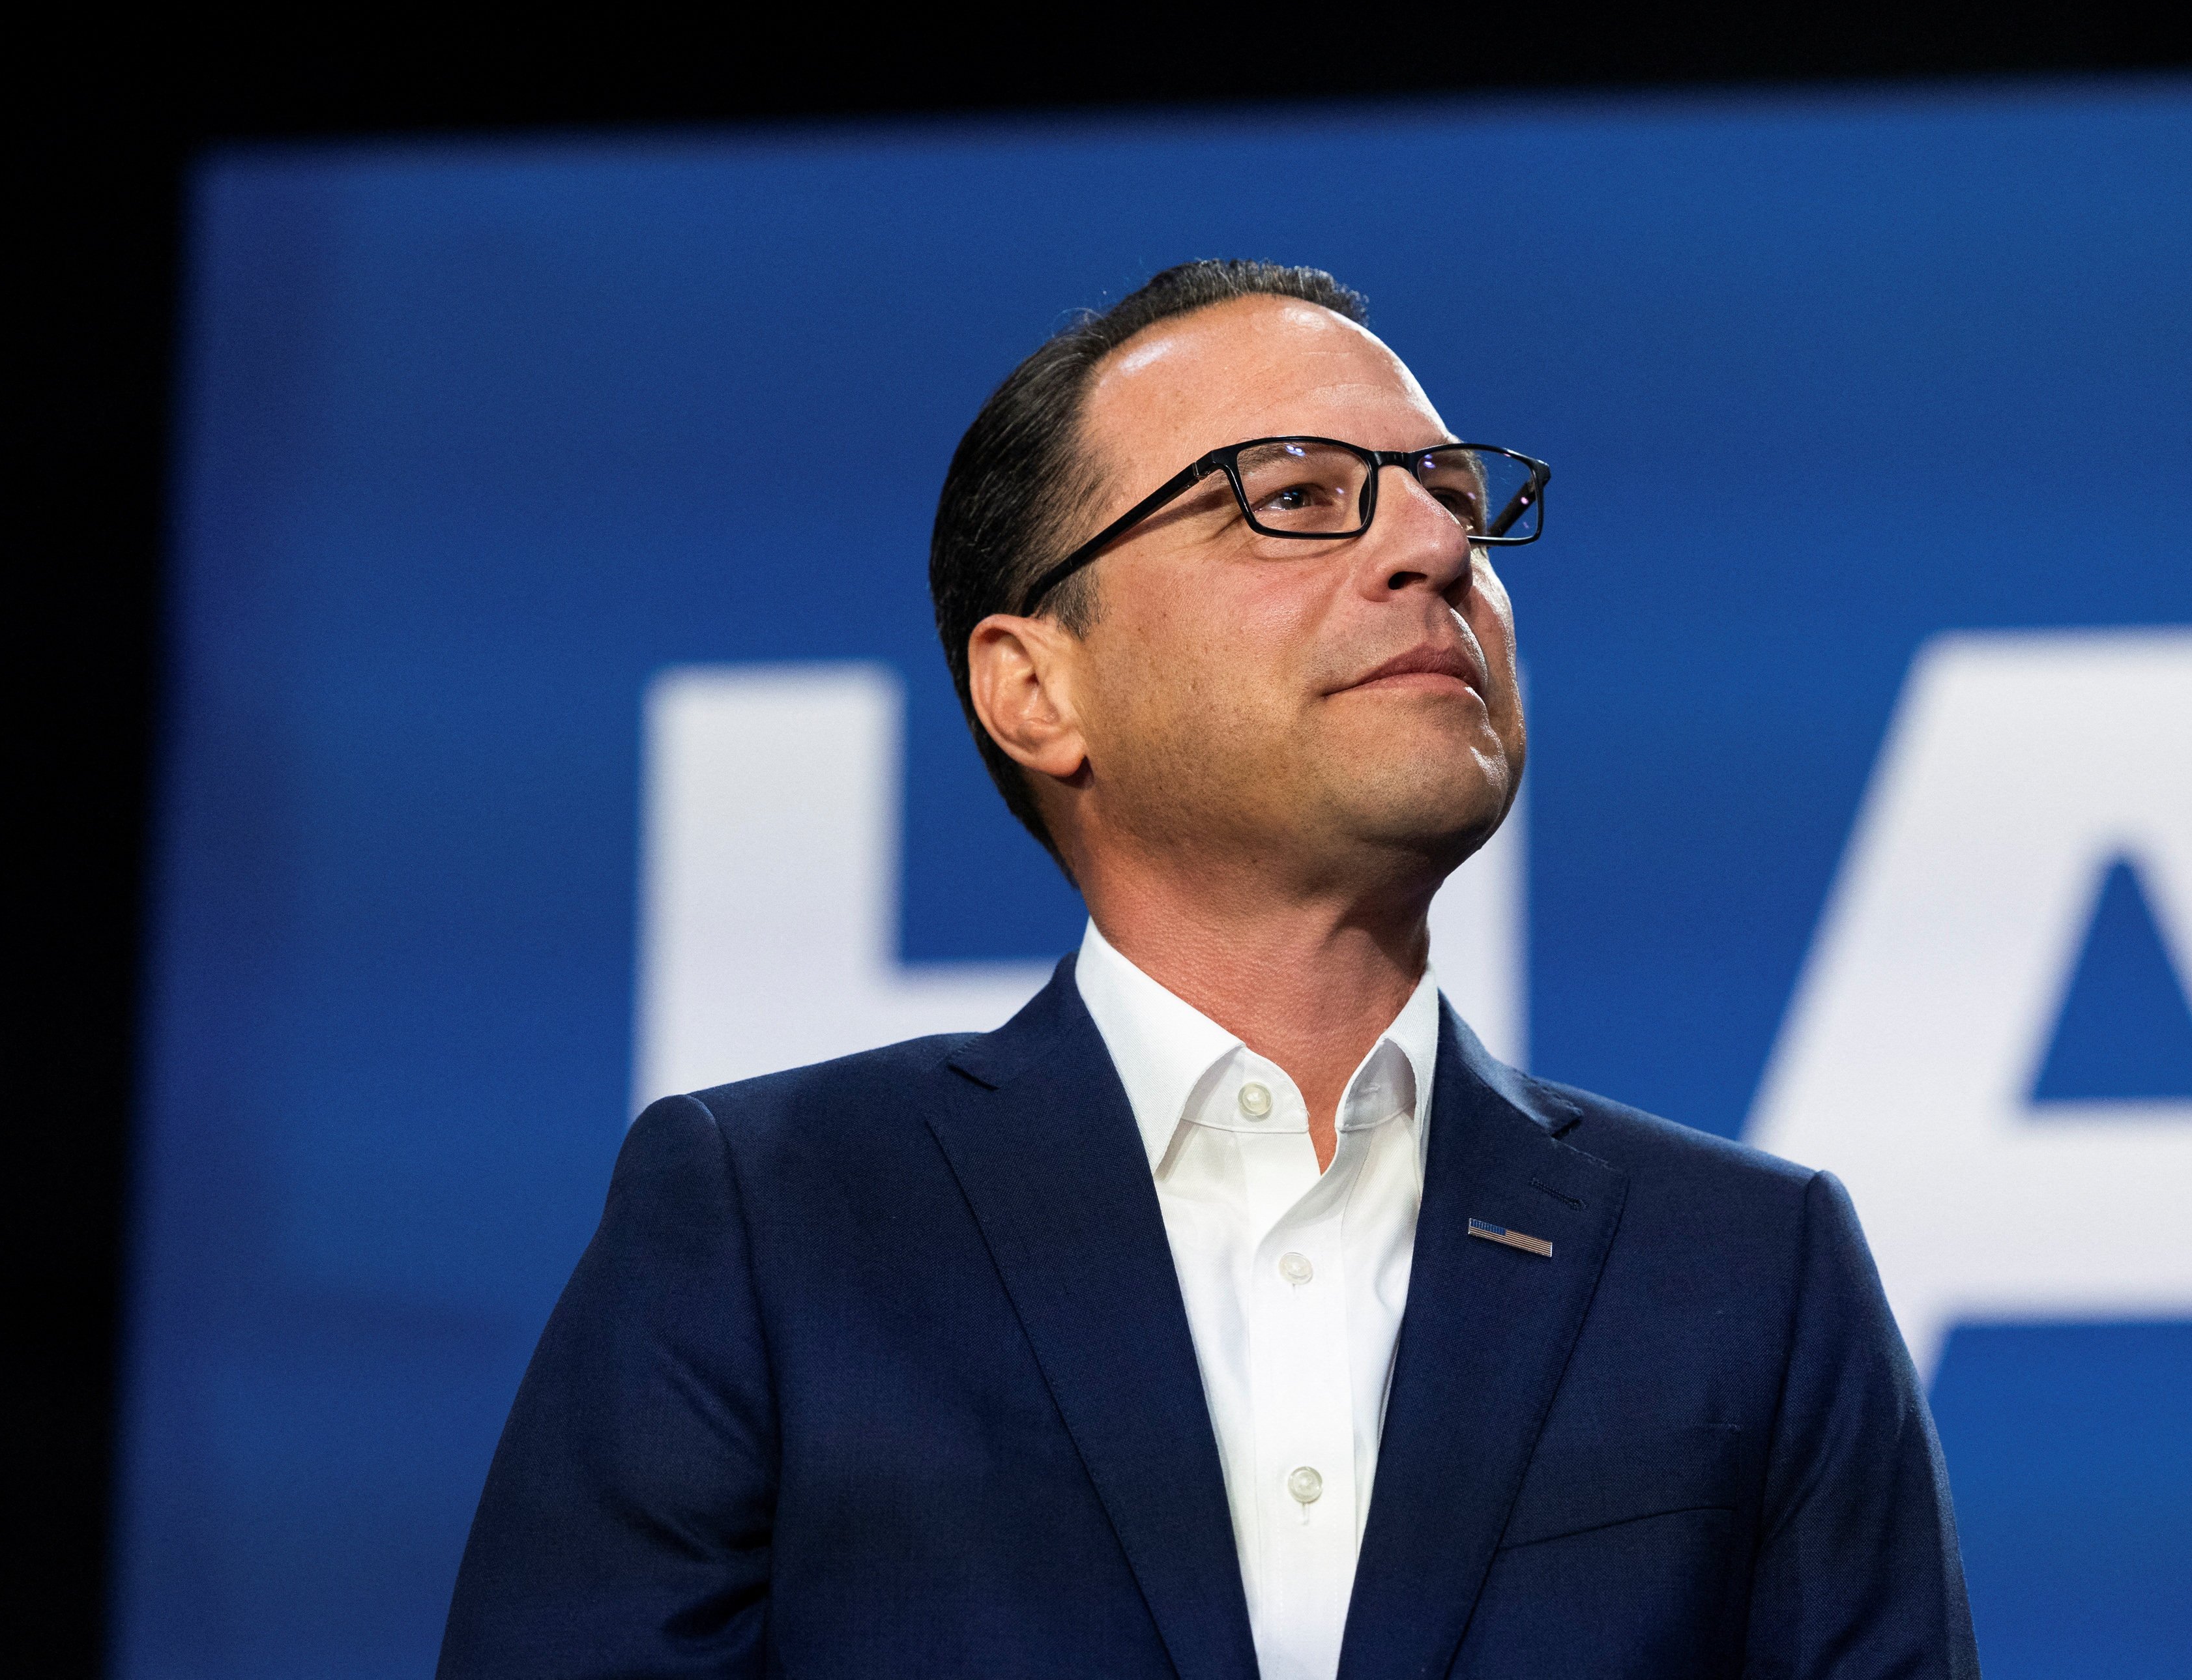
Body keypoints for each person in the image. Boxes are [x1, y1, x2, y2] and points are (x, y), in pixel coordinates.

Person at [438, 259, 1978, 1679]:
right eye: (1295, 494)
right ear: (1035, 687)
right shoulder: (771, 1225)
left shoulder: (1745, 1272)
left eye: (1451, 497)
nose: (1435, 546)